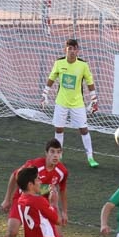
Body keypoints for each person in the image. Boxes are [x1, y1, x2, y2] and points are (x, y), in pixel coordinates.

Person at [0, 139, 69, 237]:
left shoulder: (62, 171)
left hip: (42, 204)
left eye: (58, 152)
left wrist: (64, 211)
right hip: (22, 199)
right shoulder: (35, 165)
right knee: (12, 232)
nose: (55, 155)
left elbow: (62, 190)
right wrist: (7, 199)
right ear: (46, 153)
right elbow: (14, 175)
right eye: (52, 152)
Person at [43, 38, 99, 168]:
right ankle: (58, 157)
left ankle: (90, 157)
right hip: (61, 102)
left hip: (77, 104)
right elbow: (51, 78)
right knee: (59, 128)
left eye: (74, 49)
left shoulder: (83, 65)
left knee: (84, 130)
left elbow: (90, 83)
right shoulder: (59, 63)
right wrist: (44, 94)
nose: (72, 52)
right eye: (70, 49)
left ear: (78, 50)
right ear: (66, 50)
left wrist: (94, 100)